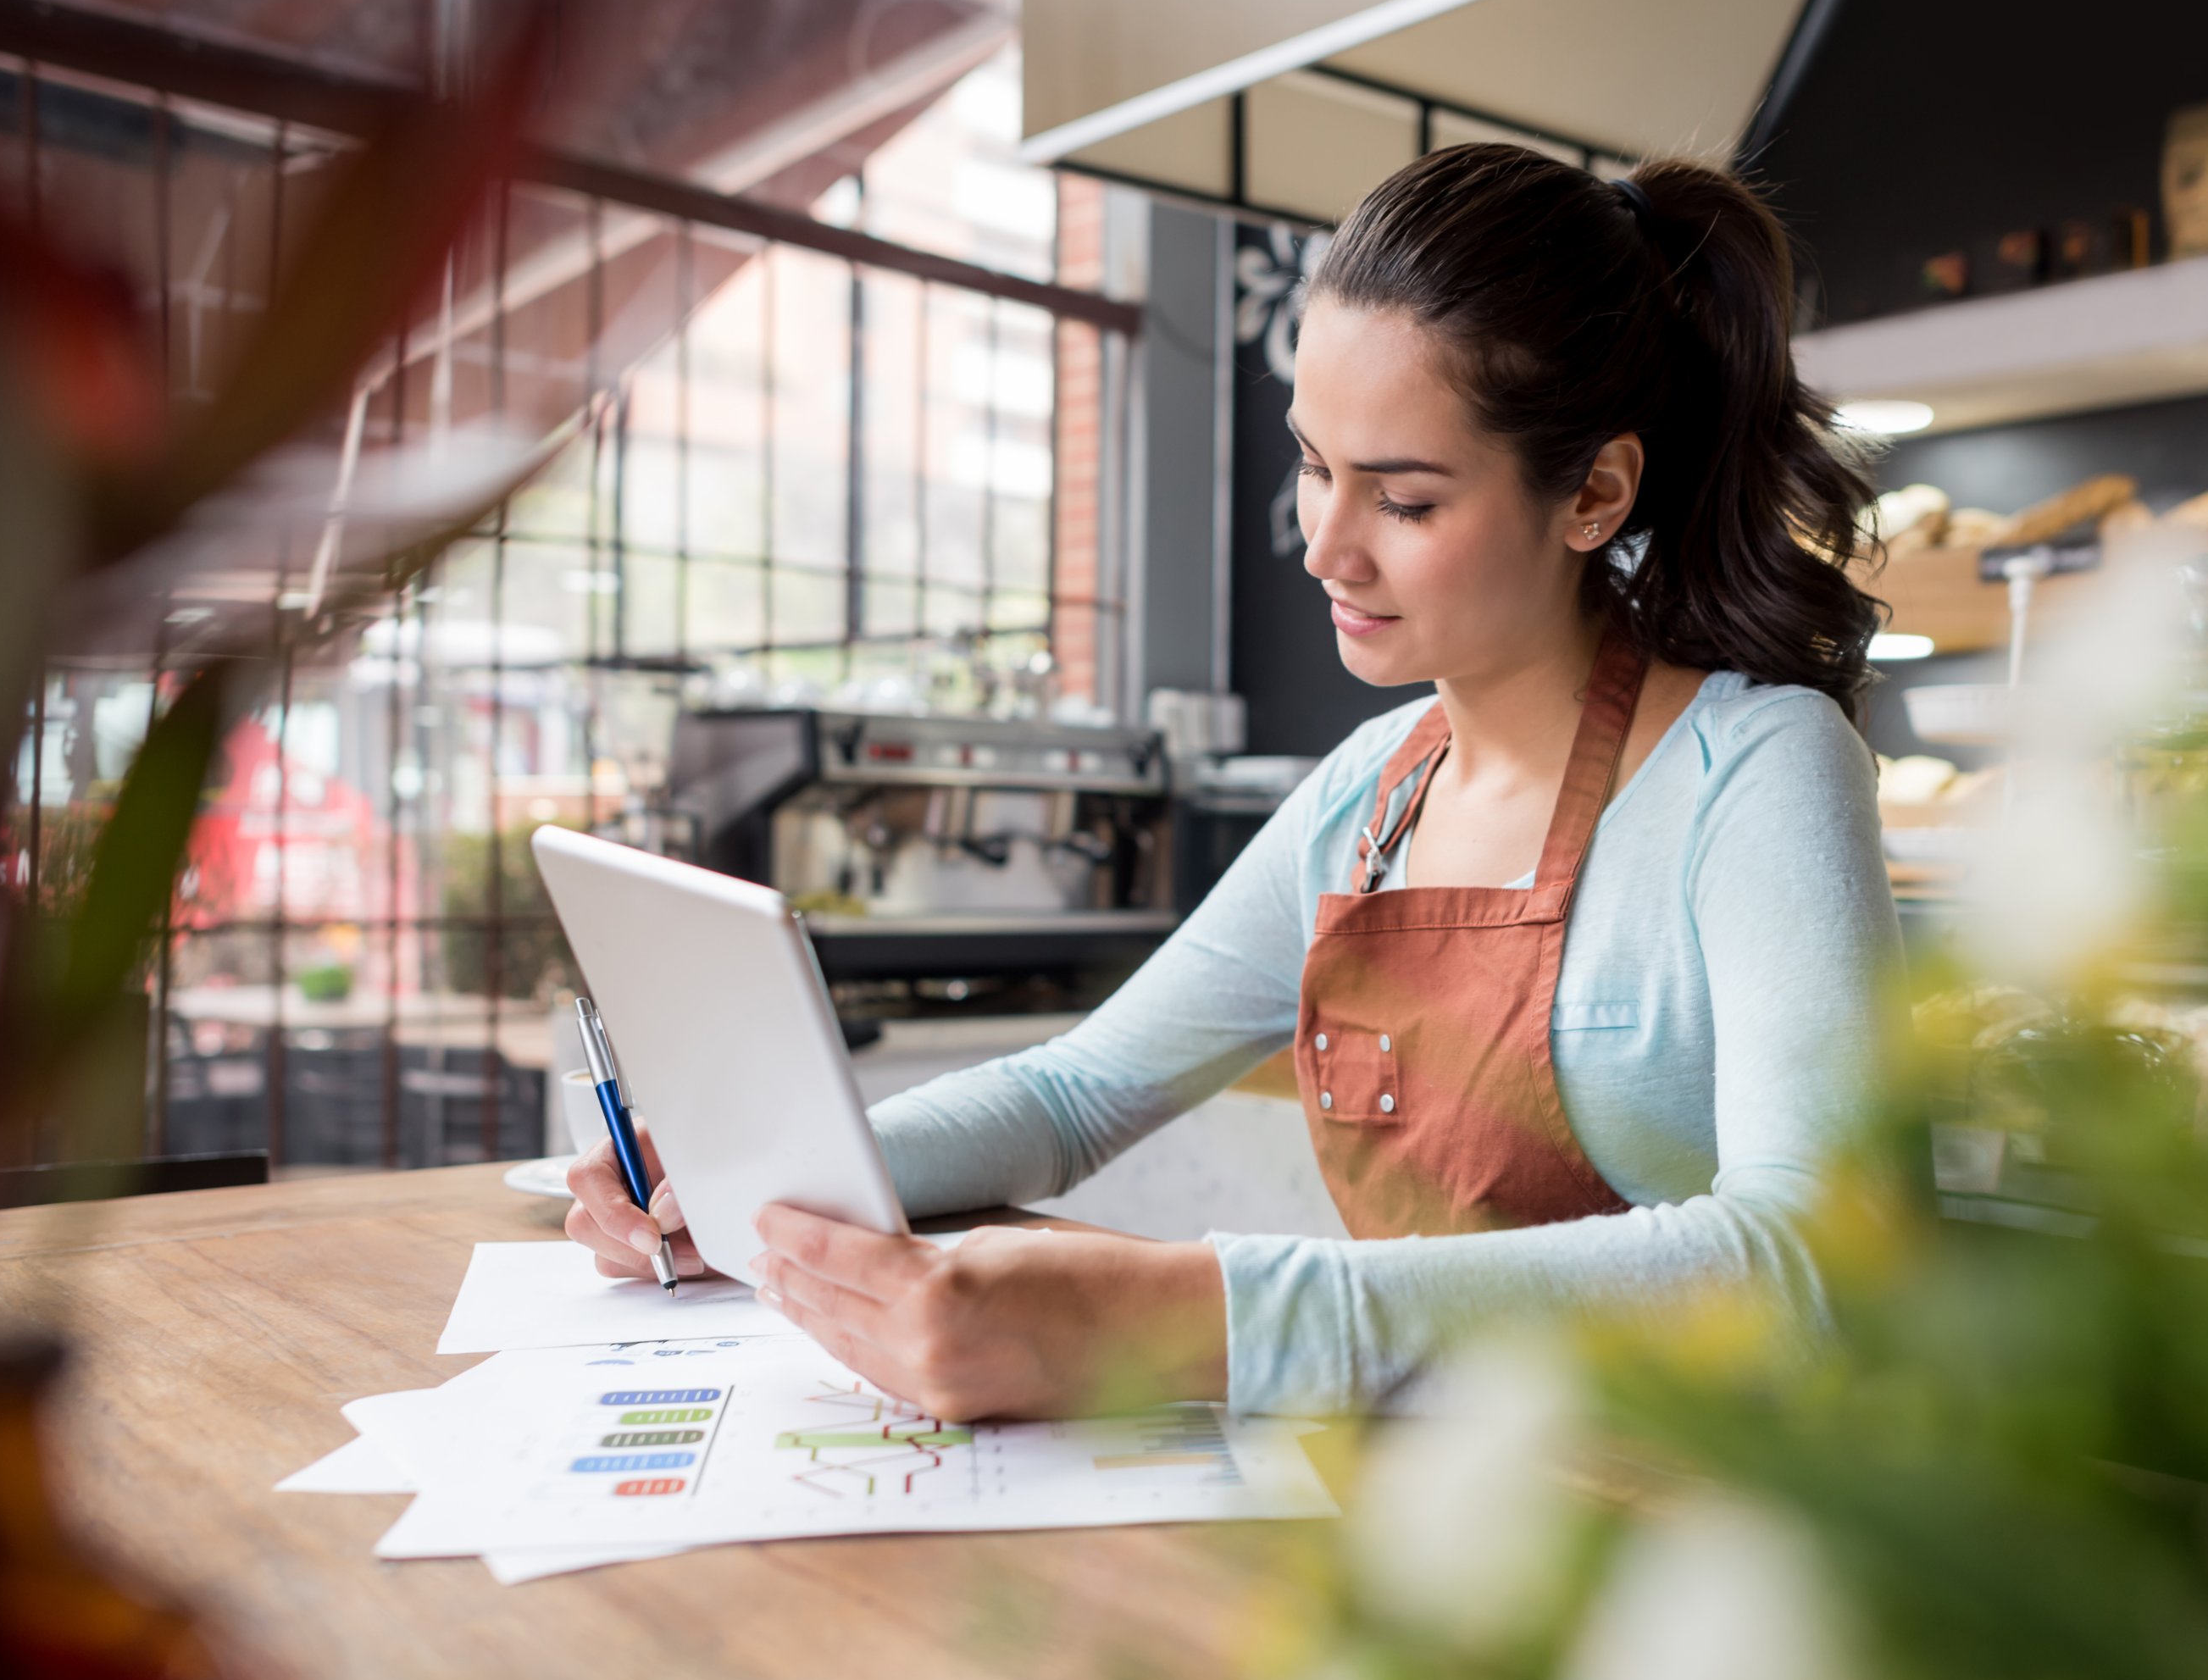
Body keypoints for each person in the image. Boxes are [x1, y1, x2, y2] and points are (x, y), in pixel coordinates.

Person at [569, 142, 1902, 1419]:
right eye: (1315, 464)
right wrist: (752, 1184)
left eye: (1407, 499)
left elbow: (1805, 1264)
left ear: (1596, 493)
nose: (1325, 547)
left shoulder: (1760, 771)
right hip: (1447, 1521)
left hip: (1698, 1534)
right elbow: (1074, 1094)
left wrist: (1179, 1313)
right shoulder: (1366, 797)